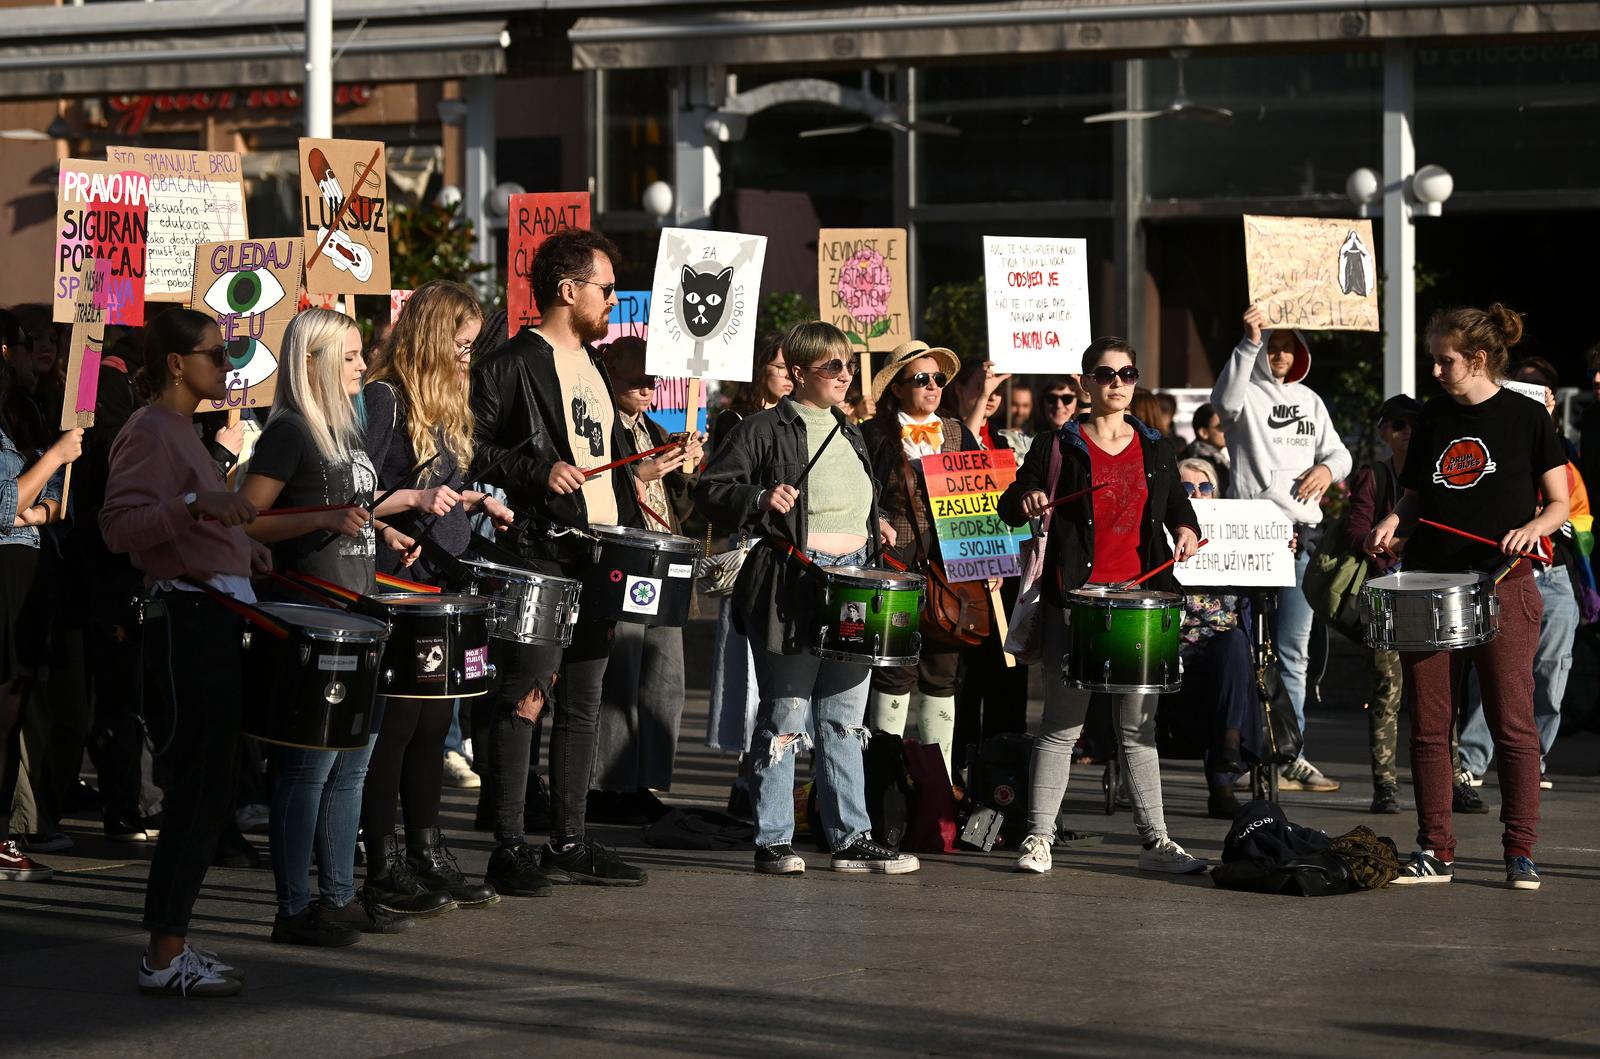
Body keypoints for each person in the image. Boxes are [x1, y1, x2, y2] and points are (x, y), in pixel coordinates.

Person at [695, 320, 916, 876]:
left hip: (853, 581)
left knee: (844, 716)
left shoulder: (850, 430)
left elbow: (851, 499)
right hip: (793, 583)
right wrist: (761, 495)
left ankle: (850, 836)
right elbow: (711, 490)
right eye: (831, 367)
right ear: (797, 374)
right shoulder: (763, 429)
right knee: (788, 713)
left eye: (848, 365)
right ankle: (773, 839)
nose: (845, 376)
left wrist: (878, 523)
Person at [471, 228, 654, 890]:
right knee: (526, 695)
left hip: (600, 551)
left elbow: (606, 463)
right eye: (607, 289)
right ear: (567, 289)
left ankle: (569, 839)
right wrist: (536, 469)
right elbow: (472, 448)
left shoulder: (599, 366)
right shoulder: (509, 362)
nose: (613, 300)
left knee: (583, 700)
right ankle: (510, 842)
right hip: (541, 554)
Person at [1367, 303, 1566, 890]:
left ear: (1477, 359)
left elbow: (1558, 501)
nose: (1435, 370)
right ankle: (1435, 851)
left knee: (1512, 724)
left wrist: (1535, 528)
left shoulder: (1528, 416)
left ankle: (1519, 851)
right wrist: (1392, 522)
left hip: (1504, 584)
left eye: (1444, 360)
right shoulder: (1430, 417)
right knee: (1430, 728)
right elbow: (1415, 499)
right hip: (1430, 584)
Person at [238, 308, 421, 944]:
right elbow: (248, 519)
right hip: (311, 623)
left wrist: (380, 526)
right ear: (313, 360)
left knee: (352, 767)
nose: (362, 365)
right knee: (307, 771)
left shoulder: (343, 428)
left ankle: (340, 895)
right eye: (349, 356)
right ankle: (293, 909)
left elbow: (349, 508)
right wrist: (324, 520)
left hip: (358, 617)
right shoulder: (290, 430)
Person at [100, 307, 265, 996]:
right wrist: (197, 505)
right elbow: (118, 528)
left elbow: (193, 516)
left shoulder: (181, 430)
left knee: (210, 790)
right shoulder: (148, 431)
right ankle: (163, 954)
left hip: (215, 614)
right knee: (197, 790)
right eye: (215, 355)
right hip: (189, 624)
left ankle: (174, 945)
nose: (225, 366)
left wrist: (237, 546)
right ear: (176, 362)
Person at [998, 337, 1206, 876]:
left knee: (1138, 729)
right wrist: (1026, 498)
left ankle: (1156, 841)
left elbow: (1179, 507)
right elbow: (1012, 500)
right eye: (1106, 374)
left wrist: (1186, 529)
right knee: (1062, 725)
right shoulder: (1057, 445)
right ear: (1086, 382)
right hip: (1077, 600)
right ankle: (1038, 838)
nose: (1118, 383)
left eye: (1128, 373)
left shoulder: (1157, 448)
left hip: (1142, 599)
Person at [361, 280, 508, 914]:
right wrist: (409, 506)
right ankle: (383, 856)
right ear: (429, 336)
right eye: (461, 343)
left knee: (430, 726)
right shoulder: (384, 398)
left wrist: (473, 500)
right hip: (395, 585)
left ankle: (427, 847)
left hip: (440, 581)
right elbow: (351, 495)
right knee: (395, 728)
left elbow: (442, 488)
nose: (467, 356)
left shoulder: (444, 404)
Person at [1212, 305, 1352, 792]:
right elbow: (1221, 400)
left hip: (1302, 540)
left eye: (1288, 347)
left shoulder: (1312, 400)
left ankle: (1292, 755)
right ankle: (1254, 755)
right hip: (1252, 536)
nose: (1281, 355)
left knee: (1293, 653)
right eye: (1273, 346)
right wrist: (1249, 340)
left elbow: (1340, 452)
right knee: (1249, 652)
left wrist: (1326, 471)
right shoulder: (1243, 394)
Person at [1455, 357, 1585, 798]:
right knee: (1491, 671)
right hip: (1504, 573)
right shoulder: (1494, 448)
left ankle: (1536, 760)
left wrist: (1551, 519)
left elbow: (1580, 517)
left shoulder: (1563, 461)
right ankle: (1472, 762)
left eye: (1537, 391)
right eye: (1520, 388)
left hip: (1553, 575)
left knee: (1552, 672)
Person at [590, 336, 702, 824]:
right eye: (636, 380)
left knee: (665, 679)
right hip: (625, 565)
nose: (647, 389)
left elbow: (688, 509)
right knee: (622, 674)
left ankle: (644, 779)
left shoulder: (657, 429)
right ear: (611, 374)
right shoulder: (601, 426)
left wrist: (688, 468)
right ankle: (605, 785)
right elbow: (592, 487)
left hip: (665, 566)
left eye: (652, 381)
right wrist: (638, 477)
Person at [862, 339, 971, 779]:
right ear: (897, 389)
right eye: (921, 379)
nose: (932, 386)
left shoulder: (959, 432)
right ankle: (882, 778)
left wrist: (992, 559)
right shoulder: (874, 434)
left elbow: (981, 500)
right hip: (896, 564)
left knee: (942, 671)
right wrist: (880, 519)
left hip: (949, 569)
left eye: (938, 379)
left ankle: (937, 783)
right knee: (893, 669)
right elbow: (860, 493)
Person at [0, 308, 80, 883]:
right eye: (28, 344)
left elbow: (56, 503)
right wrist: (53, 457)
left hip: (29, 572)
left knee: (16, 705)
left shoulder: (20, 415)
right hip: (7, 571)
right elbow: (6, 505)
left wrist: (37, 503)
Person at [705, 334, 791, 817]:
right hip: (750, 556)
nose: (787, 375)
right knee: (747, 677)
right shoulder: (736, 421)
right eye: (779, 366)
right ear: (760, 369)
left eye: (792, 368)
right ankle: (746, 782)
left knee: (780, 677)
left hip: (793, 556)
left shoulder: (803, 423)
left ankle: (774, 784)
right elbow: (724, 489)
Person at [1340, 394, 1419, 816]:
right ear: (1385, 432)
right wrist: (1387, 542)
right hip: (1387, 595)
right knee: (1388, 692)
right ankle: (1385, 785)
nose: (1408, 430)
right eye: (1399, 424)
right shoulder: (1376, 475)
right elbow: (1356, 532)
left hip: (1433, 594)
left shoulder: (1439, 473)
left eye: (1413, 423)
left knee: (1441, 693)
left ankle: (1455, 776)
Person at [1170, 459, 1260, 820]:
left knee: (1235, 644)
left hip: (1223, 648)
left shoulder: (1236, 534)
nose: (1196, 494)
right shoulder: (1160, 533)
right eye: (1186, 489)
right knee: (1231, 654)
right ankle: (1222, 779)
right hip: (1173, 643)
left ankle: (1229, 747)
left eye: (1204, 487)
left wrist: (1280, 553)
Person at [1180, 402, 1232, 498]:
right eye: (1220, 426)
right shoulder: (1200, 462)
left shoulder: (1219, 459)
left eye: (1227, 425)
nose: (1226, 430)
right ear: (1204, 432)